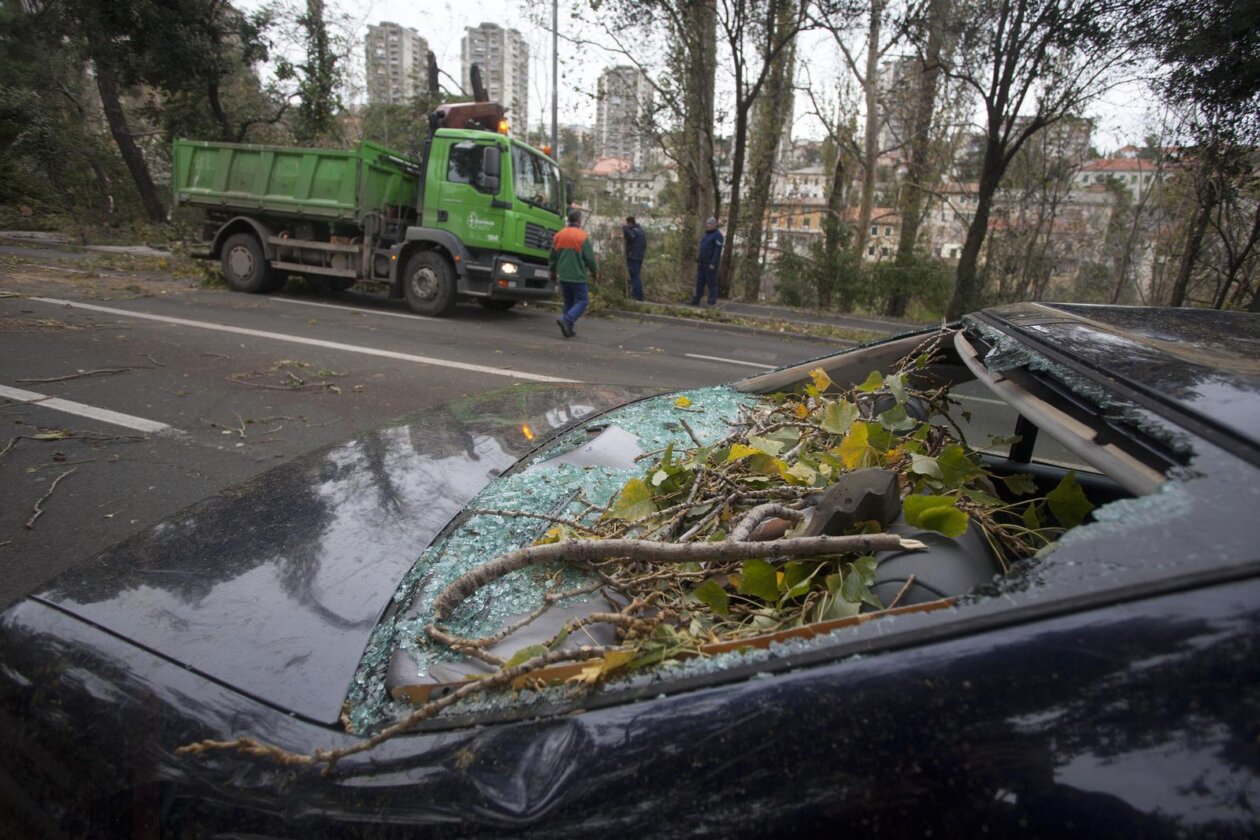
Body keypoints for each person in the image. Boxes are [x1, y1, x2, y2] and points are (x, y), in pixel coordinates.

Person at [549, 209, 599, 338]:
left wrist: (552, 271)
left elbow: (552, 257)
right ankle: (567, 320)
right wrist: (595, 272)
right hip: (577, 275)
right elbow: (589, 258)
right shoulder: (582, 236)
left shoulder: (559, 235)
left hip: (563, 275)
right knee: (582, 301)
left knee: (569, 302)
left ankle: (568, 329)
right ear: (579, 221)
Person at [691, 216, 723, 306]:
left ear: (715, 225)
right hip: (702, 262)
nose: (709, 225)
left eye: (711, 224)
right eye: (708, 224)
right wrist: (698, 259)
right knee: (700, 282)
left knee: (711, 283)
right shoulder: (705, 235)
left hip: (710, 264)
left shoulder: (717, 235)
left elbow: (717, 250)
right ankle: (696, 299)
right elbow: (702, 248)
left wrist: (713, 262)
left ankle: (712, 301)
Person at [622, 216, 647, 301]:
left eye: (627, 224)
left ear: (630, 223)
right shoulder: (641, 231)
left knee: (634, 277)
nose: (627, 225)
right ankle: (638, 295)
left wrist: (624, 229)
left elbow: (630, 236)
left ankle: (637, 297)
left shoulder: (634, 231)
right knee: (636, 276)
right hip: (639, 257)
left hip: (633, 257)